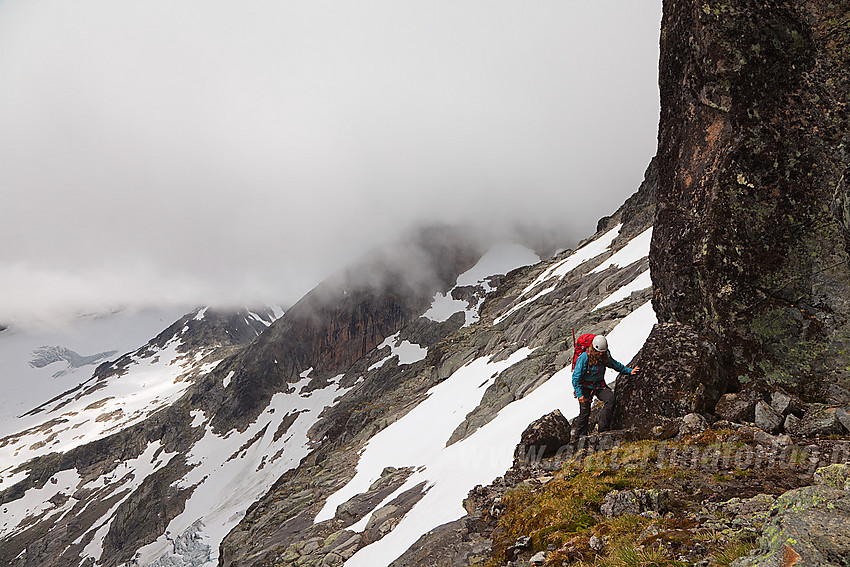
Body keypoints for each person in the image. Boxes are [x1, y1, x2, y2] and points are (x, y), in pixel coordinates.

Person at [572, 334, 639, 438]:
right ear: (593, 348)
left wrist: (629, 371)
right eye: (598, 352)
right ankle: (579, 438)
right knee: (585, 413)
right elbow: (576, 377)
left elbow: (615, 365)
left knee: (610, 399)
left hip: (599, 385)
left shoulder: (605, 355)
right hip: (585, 387)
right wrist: (579, 393)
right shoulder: (584, 358)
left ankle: (603, 430)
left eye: (602, 352)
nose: (600, 354)